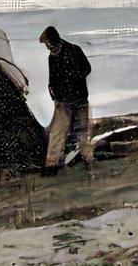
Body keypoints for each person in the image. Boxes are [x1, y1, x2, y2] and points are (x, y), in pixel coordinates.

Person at [40, 26, 93, 174]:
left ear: (55, 39)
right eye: (46, 45)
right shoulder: (51, 57)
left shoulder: (75, 50)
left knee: (82, 132)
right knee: (57, 132)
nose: (48, 47)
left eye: (48, 43)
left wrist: (72, 76)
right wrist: (53, 91)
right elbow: (52, 78)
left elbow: (87, 69)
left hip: (79, 99)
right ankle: (51, 165)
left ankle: (87, 160)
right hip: (63, 102)